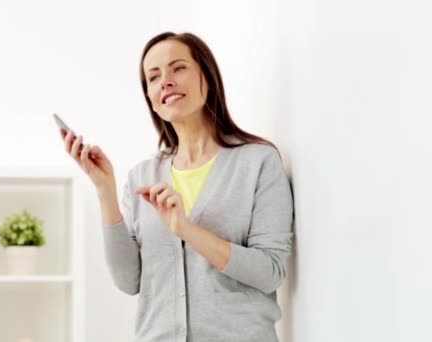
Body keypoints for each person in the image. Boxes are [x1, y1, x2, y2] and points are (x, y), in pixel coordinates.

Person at [59, 32, 294, 342]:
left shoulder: (258, 162)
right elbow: (129, 280)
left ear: (206, 78)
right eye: (153, 77)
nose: (166, 81)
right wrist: (105, 190)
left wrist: (187, 229)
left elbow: (270, 272)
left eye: (178, 68)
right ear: (152, 101)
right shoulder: (142, 176)